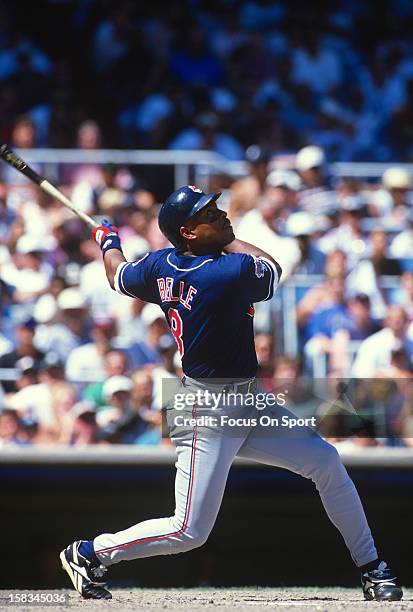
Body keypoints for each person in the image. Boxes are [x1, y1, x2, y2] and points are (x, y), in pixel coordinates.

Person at [60, 185, 402, 602]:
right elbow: (272, 266)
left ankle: (372, 568)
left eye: (219, 209)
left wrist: (109, 242)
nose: (222, 216)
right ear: (188, 232)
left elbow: (117, 275)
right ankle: (89, 552)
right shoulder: (226, 272)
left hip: (245, 401)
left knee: (326, 462)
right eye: (210, 215)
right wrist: (228, 238)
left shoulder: (157, 266)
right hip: (206, 407)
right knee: (189, 532)